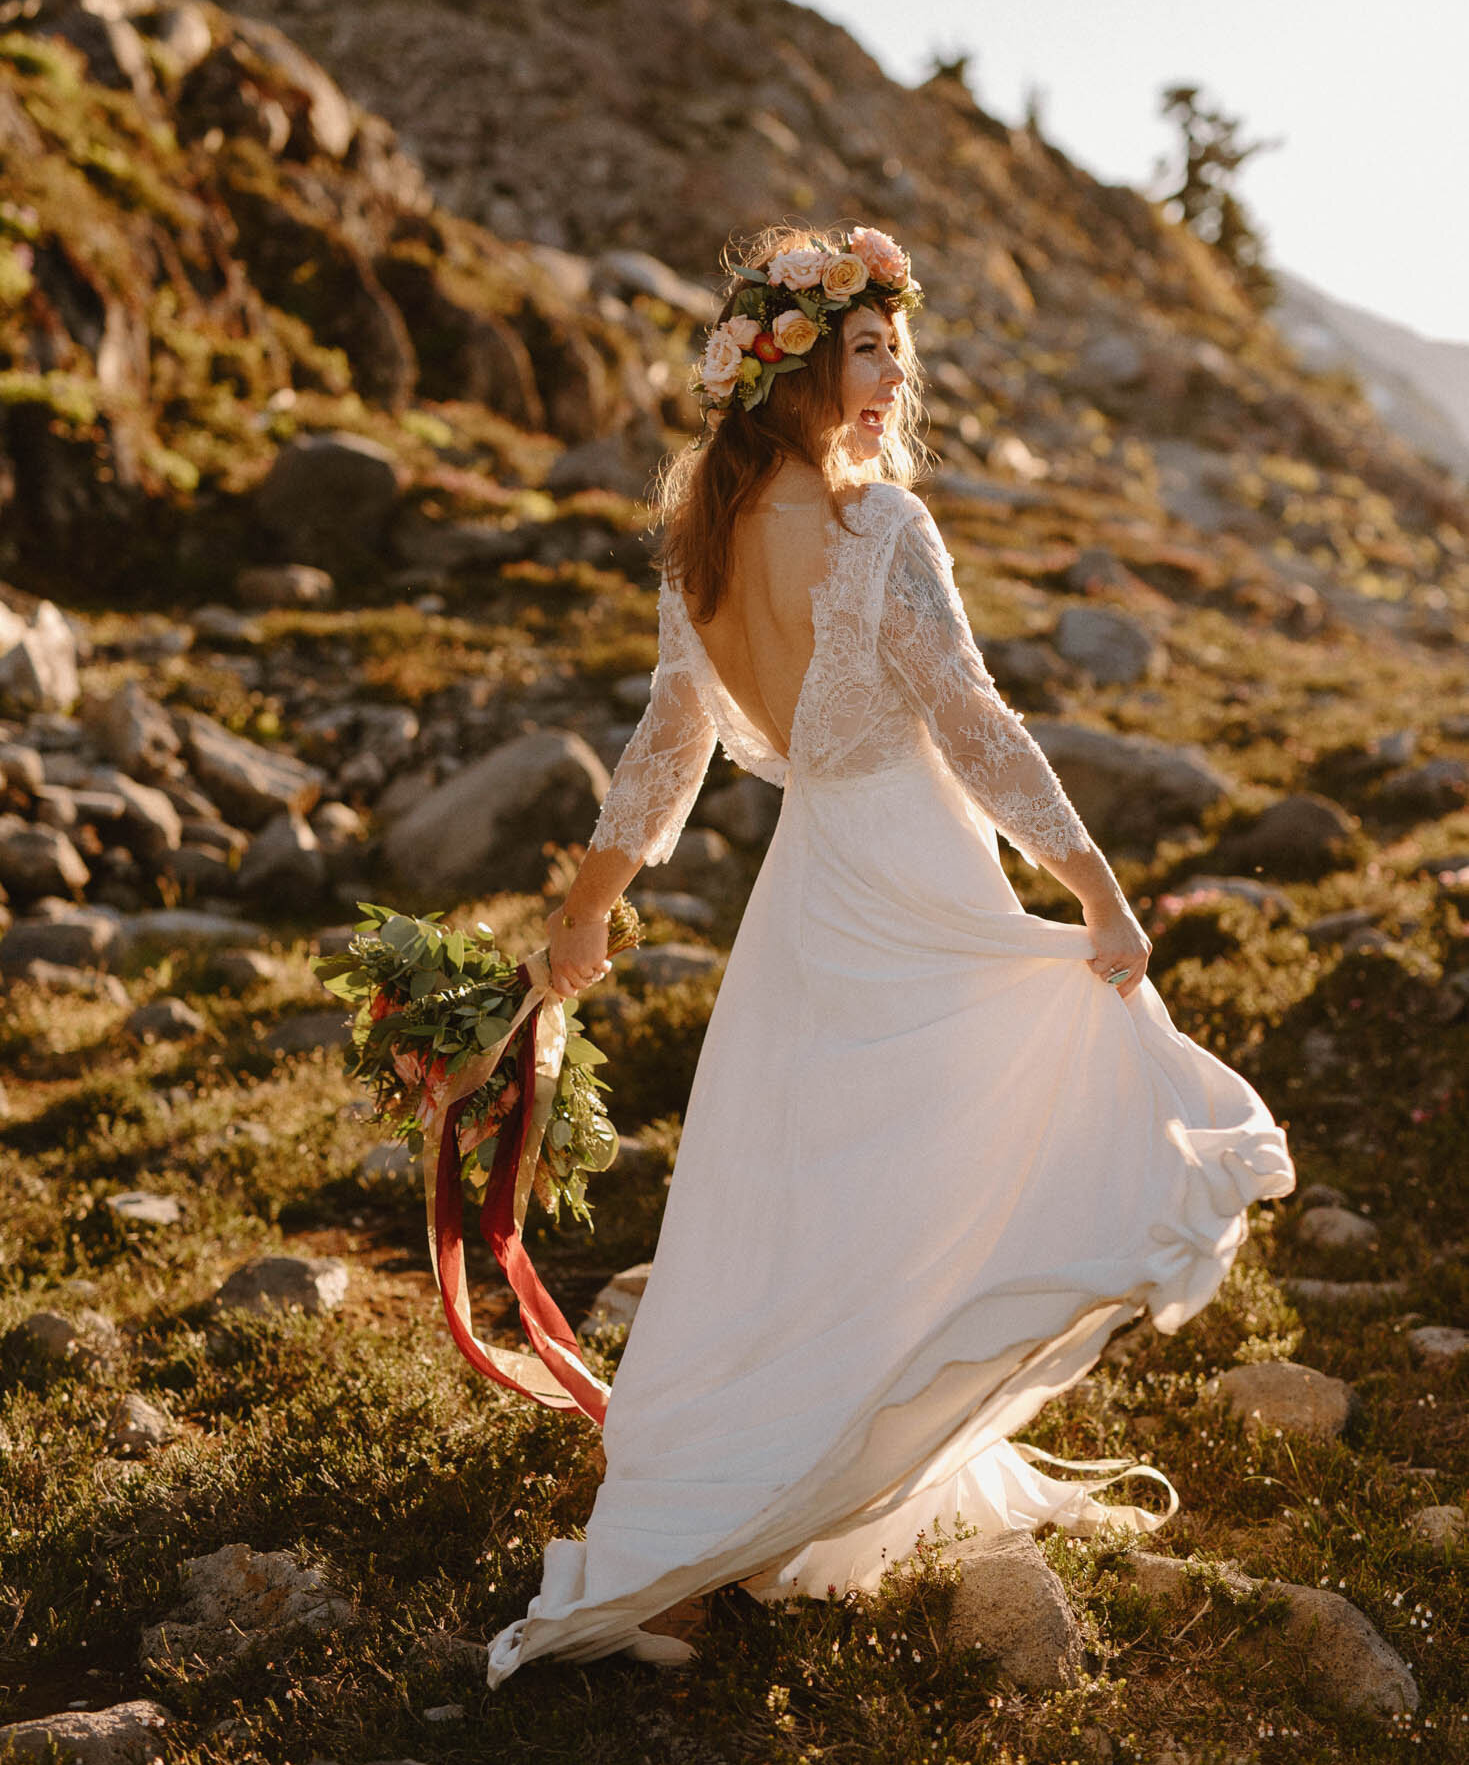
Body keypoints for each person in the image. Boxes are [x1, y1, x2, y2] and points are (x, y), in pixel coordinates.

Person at [485, 224, 1295, 1685]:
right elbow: (975, 725)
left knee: (805, 1203)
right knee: (947, 1167)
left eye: (893, 350)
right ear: (788, 371)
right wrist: (1097, 894)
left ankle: (778, 1479)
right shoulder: (880, 531)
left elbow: (664, 747)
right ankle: (834, 1472)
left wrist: (585, 911)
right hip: (911, 877)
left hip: (808, 900)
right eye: (866, 348)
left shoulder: (701, 543)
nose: (892, 374)